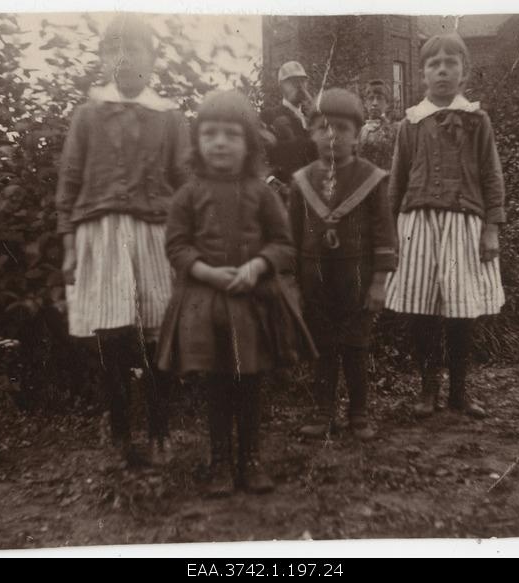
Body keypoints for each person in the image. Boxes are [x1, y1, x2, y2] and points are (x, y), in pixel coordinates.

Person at [157, 90, 317, 497]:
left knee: (249, 383)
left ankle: (251, 459)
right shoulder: (188, 195)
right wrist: (207, 271)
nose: (220, 142)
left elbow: (283, 244)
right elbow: (176, 247)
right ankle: (220, 461)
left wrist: (256, 266)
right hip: (206, 304)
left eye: (231, 134)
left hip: (253, 303)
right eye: (210, 134)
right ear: (197, 143)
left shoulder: (261, 192)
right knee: (217, 385)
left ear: (248, 143)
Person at [55, 14, 191, 466]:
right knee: (112, 336)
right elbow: (71, 181)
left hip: (154, 233)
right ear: (102, 59)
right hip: (102, 234)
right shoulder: (88, 116)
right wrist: (71, 244)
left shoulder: (169, 117)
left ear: (152, 60)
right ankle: (119, 435)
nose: (124, 58)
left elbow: (184, 180)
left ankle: (159, 432)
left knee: (157, 334)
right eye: (114, 49)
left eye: (134, 49)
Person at [384, 33, 506, 419]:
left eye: (450, 63)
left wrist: (491, 227)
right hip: (416, 223)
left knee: (460, 310)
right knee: (419, 307)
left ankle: (459, 392)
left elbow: (491, 175)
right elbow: (397, 180)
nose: (441, 70)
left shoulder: (476, 120)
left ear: (463, 72)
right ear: (422, 74)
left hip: (463, 224)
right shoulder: (410, 123)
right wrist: (390, 232)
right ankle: (426, 390)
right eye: (433, 64)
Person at [288, 88, 397, 441]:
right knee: (322, 347)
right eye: (322, 127)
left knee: (355, 346)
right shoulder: (301, 181)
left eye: (341, 128)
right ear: (311, 132)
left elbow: (384, 234)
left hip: (358, 279)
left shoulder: (371, 178)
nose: (331, 135)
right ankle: (322, 411)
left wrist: (379, 282)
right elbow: (290, 236)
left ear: (356, 134)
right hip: (314, 279)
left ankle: (359, 412)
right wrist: (291, 283)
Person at [261, 61, 318, 202]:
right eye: (292, 82)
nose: (299, 86)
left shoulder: (313, 118)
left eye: (302, 81)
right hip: (283, 198)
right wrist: (277, 187)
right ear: (281, 86)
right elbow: (260, 161)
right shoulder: (269, 115)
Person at [358, 79, 399, 170]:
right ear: (365, 103)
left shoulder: (395, 131)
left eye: (379, 98)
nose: (374, 103)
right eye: (371, 98)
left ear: (387, 103)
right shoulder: (359, 132)